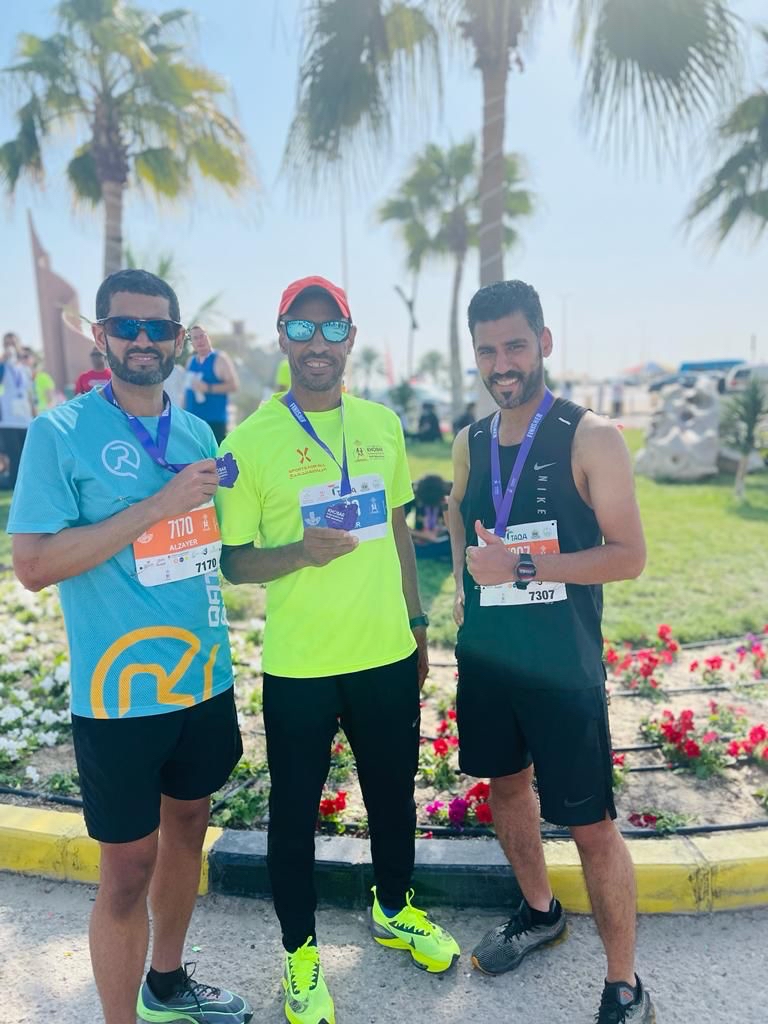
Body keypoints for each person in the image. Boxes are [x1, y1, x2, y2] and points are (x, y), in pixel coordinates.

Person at [8, 269, 251, 1024]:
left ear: (178, 339)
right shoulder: (58, 433)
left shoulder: (196, 432)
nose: (142, 340)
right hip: (119, 692)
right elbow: (33, 565)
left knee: (188, 830)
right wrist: (157, 505)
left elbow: (204, 548)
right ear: (101, 335)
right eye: (126, 326)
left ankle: (166, 985)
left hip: (201, 678)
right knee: (125, 871)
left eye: (157, 328)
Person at [216, 274, 459, 1024]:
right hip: (301, 666)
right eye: (302, 328)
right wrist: (299, 552)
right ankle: (300, 953)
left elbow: (398, 531)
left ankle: (394, 907)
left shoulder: (382, 424)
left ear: (351, 340)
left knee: (392, 795)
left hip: (385, 652)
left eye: (330, 330)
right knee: (294, 815)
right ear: (282, 336)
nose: (316, 344)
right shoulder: (248, 442)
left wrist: (417, 624)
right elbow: (235, 562)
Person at [447, 280, 653, 1024]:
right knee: (506, 791)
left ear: (544, 342)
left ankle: (624, 983)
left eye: (515, 345)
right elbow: (460, 514)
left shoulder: (590, 436)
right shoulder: (470, 441)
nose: (502, 364)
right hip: (489, 662)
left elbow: (628, 555)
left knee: (592, 825)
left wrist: (524, 566)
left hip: (564, 667)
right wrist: (465, 582)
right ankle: (541, 913)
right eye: (487, 350)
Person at [184, 325, 239, 442]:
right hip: (193, 422)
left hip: (214, 423)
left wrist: (208, 388)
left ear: (208, 337)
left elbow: (233, 386)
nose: (200, 340)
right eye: (195, 338)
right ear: (192, 343)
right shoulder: (191, 361)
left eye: (202, 336)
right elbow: (186, 391)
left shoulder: (220, 359)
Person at [0, 332, 35, 487]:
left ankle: (28, 485)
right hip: (8, 420)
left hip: (25, 419)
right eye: (7, 343)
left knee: (27, 455)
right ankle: (16, 487)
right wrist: (3, 360)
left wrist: (34, 415)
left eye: (13, 343)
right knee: (14, 456)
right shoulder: (3, 366)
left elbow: (29, 393)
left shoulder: (25, 369)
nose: (11, 346)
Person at [408, 474, 451, 561]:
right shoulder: (414, 493)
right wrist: (421, 534)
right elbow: (398, 525)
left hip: (444, 538)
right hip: (421, 538)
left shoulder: (450, 493)